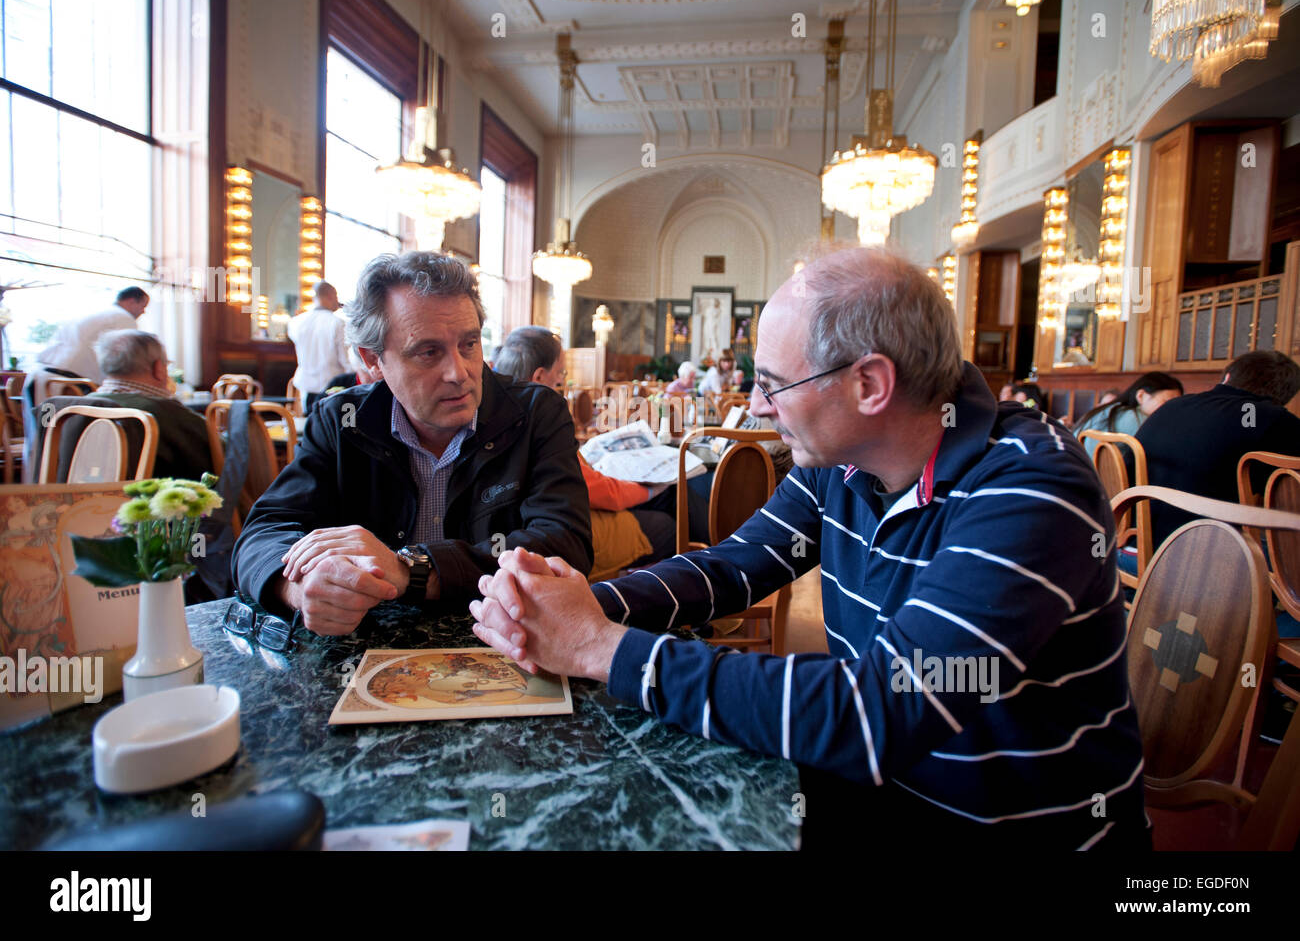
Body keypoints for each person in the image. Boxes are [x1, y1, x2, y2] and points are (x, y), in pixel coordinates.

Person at [471, 246, 1147, 850]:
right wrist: (571, 603)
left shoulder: (1031, 487)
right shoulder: (840, 464)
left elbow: (883, 708)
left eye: (772, 383)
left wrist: (601, 647)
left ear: (870, 384)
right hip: (887, 793)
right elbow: (729, 568)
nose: (758, 407)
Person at [231, 251, 593, 634]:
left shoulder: (536, 413)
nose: (459, 373)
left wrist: (412, 570)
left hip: (499, 642)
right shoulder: (341, 421)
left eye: (469, 344)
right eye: (428, 352)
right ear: (373, 360)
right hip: (363, 655)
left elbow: (565, 543)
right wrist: (298, 589)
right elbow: (261, 535)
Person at [493, 326, 676, 576]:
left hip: (526, 531)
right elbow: (596, 491)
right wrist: (652, 487)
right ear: (538, 377)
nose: (562, 381)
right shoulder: (536, 421)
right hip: (560, 534)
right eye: (561, 373)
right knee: (667, 524)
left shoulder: (493, 408)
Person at [1137, 349, 1300, 548]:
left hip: (1131, 547)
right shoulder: (1277, 422)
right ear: (1286, 396)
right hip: (1206, 561)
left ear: (1227, 377)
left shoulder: (1173, 406)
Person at [91, 330, 213, 481]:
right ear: (159, 369)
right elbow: (219, 454)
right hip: (152, 500)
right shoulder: (163, 410)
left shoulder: (77, 405)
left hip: (84, 500)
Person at [38, 286, 149, 384]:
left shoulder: (97, 312)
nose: (143, 312)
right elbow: (126, 359)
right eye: (143, 306)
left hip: (41, 375)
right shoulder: (123, 317)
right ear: (131, 301)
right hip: (70, 380)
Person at [1071, 372, 1183, 457]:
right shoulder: (1135, 418)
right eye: (1167, 403)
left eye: (1178, 405)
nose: (1173, 410)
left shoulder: (1112, 410)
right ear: (1141, 396)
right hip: (1104, 485)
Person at [287, 281, 351, 414]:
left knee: (308, 423)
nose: (337, 301)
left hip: (304, 386)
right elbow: (346, 361)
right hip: (331, 388)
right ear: (330, 296)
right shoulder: (338, 324)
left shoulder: (295, 322)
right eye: (336, 296)